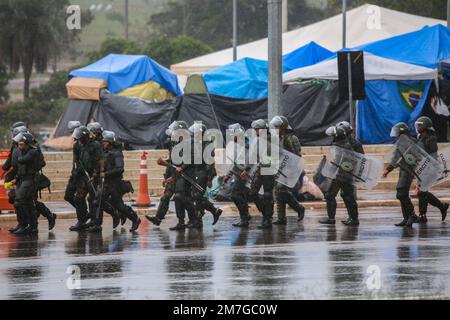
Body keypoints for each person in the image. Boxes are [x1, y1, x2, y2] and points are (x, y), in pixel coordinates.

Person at [88, 131, 141, 232]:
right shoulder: (105, 153)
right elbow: (101, 166)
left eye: (105, 142)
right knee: (97, 202)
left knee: (119, 205)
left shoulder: (117, 153)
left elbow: (120, 168)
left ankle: (135, 219)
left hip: (115, 184)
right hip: (106, 183)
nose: (103, 143)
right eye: (103, 142)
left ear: (110, 142)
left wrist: (106, 174)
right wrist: (95, 175)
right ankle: (97, 224)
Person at [146, 121, 187, 226]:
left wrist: (172, 177)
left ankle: (185, 221)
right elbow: (173, 162)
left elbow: (183, 166)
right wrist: (167, 177)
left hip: (183, 177)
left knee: (181, 198)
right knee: (165, 197)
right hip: (174, 176)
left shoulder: (186, 146)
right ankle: (158, 218)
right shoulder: (174, 144)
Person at [66, 126, 105, 231]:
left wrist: (96, 174)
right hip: (83, 175)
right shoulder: (77, 145)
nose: (79, 140)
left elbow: (100, 160)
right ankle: (82, 221)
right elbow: (75, 160)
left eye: (80, 138)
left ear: (85, 136)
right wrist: (75, 173)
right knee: (78, 198)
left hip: (94, 175)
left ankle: (96, 223)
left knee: (95, 200)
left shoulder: (95, 145)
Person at [319, 126, 360, 226]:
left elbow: (349, 163)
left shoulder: (345, 146)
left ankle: (353, 219)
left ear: (337, 136)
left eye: (333, 136)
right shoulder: (341, 145)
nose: (332, 137)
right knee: (335, 195)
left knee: (347, 197)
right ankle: (335, 218)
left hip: (344, 176)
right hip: (340, 175)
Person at [269, 116, 305, 225]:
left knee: (280, 190)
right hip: (282, 168)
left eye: (277, 127)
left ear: (283, 127)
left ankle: (299, 208)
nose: (275, 129)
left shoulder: (291, 138)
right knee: (278, 191)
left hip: (290, 169)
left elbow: (296, 156)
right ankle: (281, 218)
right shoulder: (280, 138)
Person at [383, 122, 419, 227]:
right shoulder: (400, 142)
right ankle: (406, 217)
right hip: (403, 170)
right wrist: (388, 169)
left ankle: (412, 215)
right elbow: (395, 158)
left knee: (401, 194)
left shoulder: (413, 142)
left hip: (410, 171)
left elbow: (420, 156)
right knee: (401, 194)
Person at [414, 116, 449, 223]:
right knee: (422, 192)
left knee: (422, 192)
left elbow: (432, 155)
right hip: (421, 167)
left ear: (425, 126)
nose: (418, 127)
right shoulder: (420, 137)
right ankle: (441, 206)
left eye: (420, 125)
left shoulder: (431, 138)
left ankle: (423, 216)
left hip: (429, 168)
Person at [188, 123, 222, 228]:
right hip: (196, 172)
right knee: (195, 196)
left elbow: (210, 163)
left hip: (203, 172)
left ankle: (209, 213)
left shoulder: (207, 145)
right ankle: (202, 218)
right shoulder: (197, 144)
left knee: (198, 196)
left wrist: (209, 178)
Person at [245, 119, 275, 230]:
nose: (255, 131)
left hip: (269, 169)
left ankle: (267, 219)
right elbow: (254, 155)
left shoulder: (271, 139)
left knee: (267, 194)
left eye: (257, 129)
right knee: (253, 193)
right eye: (255, 129)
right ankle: (266, 214)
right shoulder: (257, 140)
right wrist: (247, 169)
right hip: (260, 168)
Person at [11, 132, 41, 234]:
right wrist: (16, 178)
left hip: (30, 180)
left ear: (27, 143)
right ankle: (30, 226)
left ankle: (26, 224)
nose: (19, 146)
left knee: (19, 200)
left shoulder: (33, 152)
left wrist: (16, 155)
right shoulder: (24, 151)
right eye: (18, 144)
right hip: (23, 179)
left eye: (21, 144)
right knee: (27, 203)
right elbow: (21, 168)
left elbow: (22, 160)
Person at [224, 123, 253, 228]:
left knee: (235, 195)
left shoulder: (247, 144)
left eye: (234, 135)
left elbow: (252, 159)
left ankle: (244, 218)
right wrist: (228, 175)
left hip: (246, 174)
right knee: (240, 195)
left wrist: (247, 170)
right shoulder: (237, 144)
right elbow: (236, 162)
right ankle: (245, 216)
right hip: (238, 173)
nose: (232, 137)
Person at [336, 121, 365, 225]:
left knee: (349, 196)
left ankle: (354, 218)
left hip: (350, 172)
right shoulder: (342, 142)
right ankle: (350, 216)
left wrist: (357, 172)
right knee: (344, 194)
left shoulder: (354, 143)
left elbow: (361, 158)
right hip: (343, 171)